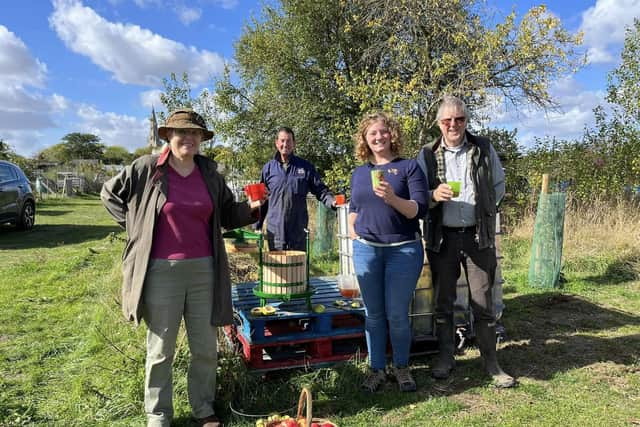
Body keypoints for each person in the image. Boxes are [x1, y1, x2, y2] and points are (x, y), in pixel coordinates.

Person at [101, 109, 266, 427]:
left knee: (204, 347)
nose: (188, 138)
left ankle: (203, 408)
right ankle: (158, 413)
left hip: (205, 271)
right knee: (161, 348)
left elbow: (229, 215)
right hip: (162, 272)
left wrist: (254, 209)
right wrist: (137, 228)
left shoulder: (210, 175)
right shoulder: (148, 169)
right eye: (181, 132)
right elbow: (109, 194)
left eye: (194, 133)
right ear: (168, 136)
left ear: (201, 139)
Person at [416, 95, 515, 388]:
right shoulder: (426, 154)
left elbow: (498, 185)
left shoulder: (483, 147)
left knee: (483, 302)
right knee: (444, 302)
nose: (453, 125)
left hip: (477, 235)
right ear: (439, 124)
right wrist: (434, 196)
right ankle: (446, 358)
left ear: (466, 121)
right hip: (443, 237)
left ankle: (491, 363)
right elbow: (416, 194)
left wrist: (485, 209)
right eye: (447, 120)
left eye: (459, 119)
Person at [348, 111, 428, 392]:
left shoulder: (409, 167)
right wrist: (353, 228)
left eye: (383, 131)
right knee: (373, 314)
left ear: (391, 134)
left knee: (396, 314)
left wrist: (392, 198)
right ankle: (377, 369)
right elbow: (354, 206)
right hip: (367, 251)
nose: (378, 137)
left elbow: (420, 208)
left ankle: (402, 367)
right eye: (372, 133)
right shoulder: (359, 173)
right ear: (365, 140)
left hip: (403, 251)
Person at [256, 126, 335, 250]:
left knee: (297, 268)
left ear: (294, 144)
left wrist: (332, 202)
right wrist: (258, 226)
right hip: (275, 230)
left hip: (298, 229)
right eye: (282, 140)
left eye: (289, 141)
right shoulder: (268, 169)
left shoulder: (305, 167)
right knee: (278, 268)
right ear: (277, 143)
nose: (285, 144)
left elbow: (320, 190)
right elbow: (262, 200)